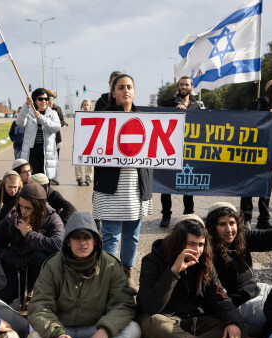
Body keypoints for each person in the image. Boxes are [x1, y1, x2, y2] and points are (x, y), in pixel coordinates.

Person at [26, 212, 141, 338]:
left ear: (95, 240)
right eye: (77, 238)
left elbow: (124, 304)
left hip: (96, 327)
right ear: (68, 241)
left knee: (134, 330)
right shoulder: (52, 265)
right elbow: (39, 305)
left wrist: (105, 330)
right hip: (63, 329)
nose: (82, 243)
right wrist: (56, 333)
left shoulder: (111, 264)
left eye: (87, 237)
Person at [138, 218, 247, 338]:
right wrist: (173, 272)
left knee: (239, 328)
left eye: (201, 244)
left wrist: (232, 321)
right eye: (192, 244)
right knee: (158, 325)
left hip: (195, 321)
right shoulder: (152, 260)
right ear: (178, 243)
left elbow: (219, 295)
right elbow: (150, 306)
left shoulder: (204, 261)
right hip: (164, 319)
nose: (197, 250)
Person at [93, 74, 153, 294]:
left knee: (132, 235)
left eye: (129, 87)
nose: (125, 90)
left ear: (134, 91)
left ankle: (127, 274)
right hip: (111, 186)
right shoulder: (103, 119)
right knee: (110, 234)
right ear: (114, 92)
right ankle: (110, 278)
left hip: (136, 185)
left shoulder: (146, 121)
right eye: (121, 87)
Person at [205, 202, 272, 337]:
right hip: (239, 306)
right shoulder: (208, 251)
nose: (229, 229)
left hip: (258, 291)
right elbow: (217, 294)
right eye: (222, 224)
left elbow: (265, 238)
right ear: (213, 227)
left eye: (232, 223)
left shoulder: (241, 238)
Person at [0, 182, 64, 304]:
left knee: (39, 257)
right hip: (15, 265)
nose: (23, 211)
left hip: (40, 270)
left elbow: (59, 245)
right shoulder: (12, 217)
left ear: (39, 207)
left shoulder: (52, 218)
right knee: (3, 299)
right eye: (21, 206)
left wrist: (30, 235)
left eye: (28, 208)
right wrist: (12, 259)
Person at [241, 80, 272, 230]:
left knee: (266, 187)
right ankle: (245, 218)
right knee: (247, 187)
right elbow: (243, 122)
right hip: (251, 154)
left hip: (270, 156)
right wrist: (265, 117)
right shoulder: (255, 104)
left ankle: (263, 219)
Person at [159, 76, 200, 227]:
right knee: (166, 185)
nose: (184, 87)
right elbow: (160, 121)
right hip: (169, 149)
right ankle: (166, 215)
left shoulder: (197, 105)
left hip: (189, 150)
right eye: (181, 85)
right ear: (178, 87)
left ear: (191, 87)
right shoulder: (168, 103)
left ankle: (188, 215)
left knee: (188, 183)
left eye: (186, 85)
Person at [16, 88, 61, 181]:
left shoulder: (53, 113)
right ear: (35, 100)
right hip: (32, 151)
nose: (44, 101)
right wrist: (26, 106)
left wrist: (41, 118)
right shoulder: (28, 112)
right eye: (40, 99)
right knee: (32, 179)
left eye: (46, 99)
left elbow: (56, 128)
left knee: (45, 180)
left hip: (47, 152)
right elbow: (20, 122)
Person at [48, 89, 66, 186]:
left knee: (55, 159)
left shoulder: (57, 109)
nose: (50, 102)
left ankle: (53, 177)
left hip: (56, 138)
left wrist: (59, 123)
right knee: (47, 159)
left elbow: (62, 121)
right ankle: (47, 178)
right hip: (46, 139)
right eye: (48, 99)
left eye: (51, 99)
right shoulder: (43, 109)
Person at [75, 99, 94, 186]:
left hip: (90, 141)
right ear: (82, 106)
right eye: (84, 105)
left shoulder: (94, 116)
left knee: (90, 160)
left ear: (90, 106)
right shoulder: (78, 116)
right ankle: (79, 178)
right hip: (80, 141)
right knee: (78, 160)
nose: (86, 106)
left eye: (87, 105)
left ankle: (88, 178)